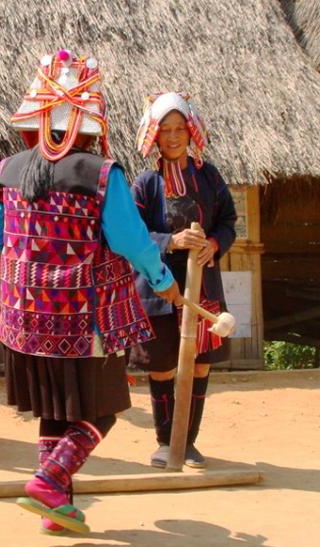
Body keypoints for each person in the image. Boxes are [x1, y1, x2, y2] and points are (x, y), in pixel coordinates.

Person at [0, 49, 181, 535]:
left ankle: (57, 509)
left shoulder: (8, 170)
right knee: (105, 409)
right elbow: (131, 240)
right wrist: (164, 281)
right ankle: (49, 481)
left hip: (25, 319)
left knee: (57, 410)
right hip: (83, 317)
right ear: (91, 122)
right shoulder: (100, 174)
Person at [129, 91, 237, 470]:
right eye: (165, 130)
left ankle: (187, 442)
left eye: (179, 129)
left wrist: (213, 242)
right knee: (162, 365)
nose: (173, 137)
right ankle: (165, 441)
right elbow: (132, 235)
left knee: (200, 363)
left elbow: (227, 223)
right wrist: (170, 241)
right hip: (159, 289)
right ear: (154, 136)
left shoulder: (209, 176)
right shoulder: (145, 184)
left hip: (203, 288)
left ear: (191, 133)